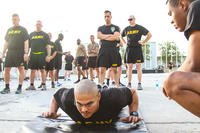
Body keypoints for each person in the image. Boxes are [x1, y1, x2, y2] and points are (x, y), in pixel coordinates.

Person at [42, 79, 140, 124]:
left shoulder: (113, 98)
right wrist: (52, 112)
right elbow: (56, 97)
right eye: (79, 104)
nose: (84, 110)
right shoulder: (68, 99)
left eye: (89, 104)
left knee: (111, 89)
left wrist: (134, 113)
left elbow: (132, 92)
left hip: (108, 93)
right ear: (75, 99)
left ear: (98, 97)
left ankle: (103, 86)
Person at [163, 0, 200, 118]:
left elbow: (193, 63)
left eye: (170, 13)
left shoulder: (196, 6)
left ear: (183, 4)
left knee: (172, 81)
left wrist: (166, 84)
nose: (171, 20)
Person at [0, 14, 29, 94]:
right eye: (13, 19)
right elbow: (6, 42)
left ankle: (19, 87)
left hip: (19, 51)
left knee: (21, 69)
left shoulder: (23, 29)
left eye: (15, 19)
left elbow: (26, 41)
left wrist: (26, 53)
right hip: (10, 52)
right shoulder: (9, 30)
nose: (14, 21)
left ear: (19, 19)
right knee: (6, 69)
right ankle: (7, 87)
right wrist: (3, 53)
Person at [121, 15, 152, 90]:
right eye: (128, 19)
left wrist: (144, 42)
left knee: (138, 66)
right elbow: (120, 36)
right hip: (129, 49)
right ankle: (129, 83)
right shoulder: (126, 29)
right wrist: (124, 42)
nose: (130, 21)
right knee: (129, 67)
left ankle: (139, 83)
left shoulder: (139, 27)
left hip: (137, 49)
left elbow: (149, 34)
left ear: (134, 19)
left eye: (131, 19)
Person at [97, 10, 121, 88]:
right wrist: (110, 36)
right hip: (103, 50)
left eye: (108, 16)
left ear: (111, 17)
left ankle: (117, 87)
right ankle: (100, 85)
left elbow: (116, 37)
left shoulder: (116, 27)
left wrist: (104, 36)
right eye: (105, 16)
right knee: (102, 69)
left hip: (113, 51)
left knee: (114, 69)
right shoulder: (100, 28)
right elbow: (98, 36)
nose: (107, 18)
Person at [26, 20, 51, 91]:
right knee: (32, 70)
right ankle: (31, 85)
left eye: (39, 24)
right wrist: (27, 54)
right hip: (33, 55)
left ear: (42, 25)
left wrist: (48, 55)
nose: (38, 25)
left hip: (42, 55)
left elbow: (48, 46)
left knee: (42, 70)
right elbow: (28, 46)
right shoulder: (31, 34)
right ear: (35, 25)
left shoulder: (45, 35)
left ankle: (43, 85)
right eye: (37, 24)